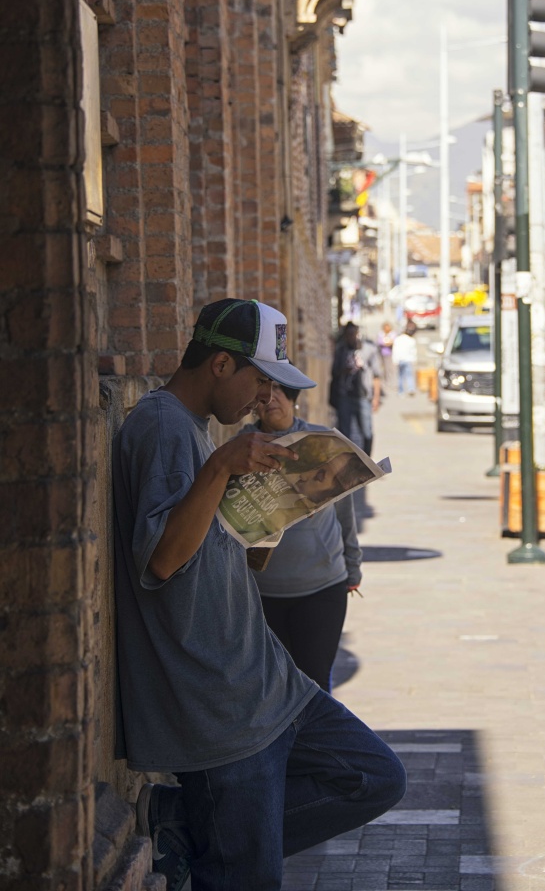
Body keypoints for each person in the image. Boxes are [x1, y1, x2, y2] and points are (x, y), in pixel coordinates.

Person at [113, 298, 405, 891]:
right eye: (261, 381)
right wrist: (222, 466)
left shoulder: (195, 429)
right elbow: (163, 558)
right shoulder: (162, 425)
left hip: (268, 684)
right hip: (220, 705)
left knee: (376, 777)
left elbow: (207, 547)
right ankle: (197, 824)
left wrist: (265, 522)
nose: (264, 398)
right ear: (221, 365)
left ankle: (180, 822)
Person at [240, 380, 362, 692]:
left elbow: (344, 511)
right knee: (273, 687)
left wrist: (353, 566)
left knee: (315, 684)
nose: (271, 399)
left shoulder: (321, 442)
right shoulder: (242, 447)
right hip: (262, 591)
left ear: (292, 396)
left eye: (279, 391)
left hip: (322, 586)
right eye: (264, 393)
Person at [329, 321, 382, 455]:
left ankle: (367, 459)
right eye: (348, 334)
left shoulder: (369, 349)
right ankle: (347, 459)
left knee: (366, 431)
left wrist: (376, 398)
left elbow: (376, 375)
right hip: (345, 395)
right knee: (344, 432)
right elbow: (334, 372)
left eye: (353, 334)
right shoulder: (341, 350)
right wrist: (344, 370)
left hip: (363, 396)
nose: (351, 337)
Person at [392, 321, 418, 396]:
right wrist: (414, 359)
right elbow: (413, 351)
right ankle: (411, 388)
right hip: (408, 359)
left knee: (401, 376)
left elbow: (395, 350)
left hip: (400, 359)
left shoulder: (398, 339)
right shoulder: (411, 340)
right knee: (409, 375)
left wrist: (395, 360)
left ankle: (401, 391)